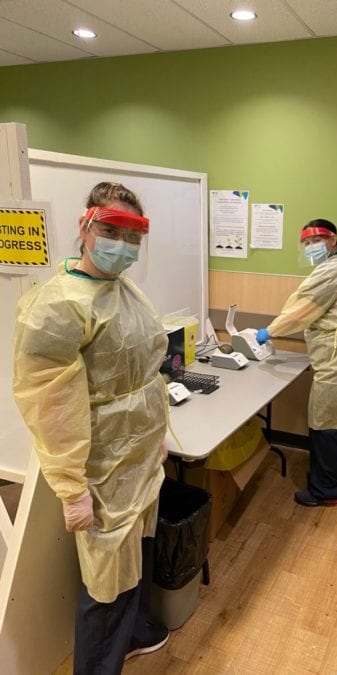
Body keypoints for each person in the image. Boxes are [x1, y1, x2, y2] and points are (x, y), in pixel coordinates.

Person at [13, 182, 172, 673]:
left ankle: (136, 633)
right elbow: (50, 404)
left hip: (140, 459)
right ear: (85, 227)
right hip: (102, 468)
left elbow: (146, 373)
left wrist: (160, 433)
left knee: (136, 559)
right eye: (110, 230)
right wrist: (71, 487)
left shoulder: (125, 289)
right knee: (106, 580)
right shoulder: (57, 304)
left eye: (132, 237)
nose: (121, 245)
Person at [256, 218, 337, 507]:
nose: (310, 247)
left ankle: (326, 491)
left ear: (333, 241)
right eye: (305, 243)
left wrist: (269, 331)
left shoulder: (334, 270)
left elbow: (301, 310)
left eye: (315, 241)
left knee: (328, 423)